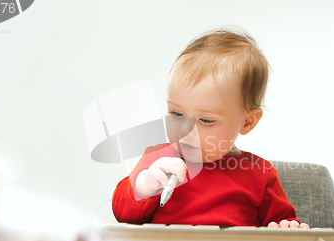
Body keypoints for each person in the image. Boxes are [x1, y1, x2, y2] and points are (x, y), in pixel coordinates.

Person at [112, 28, 310, 229]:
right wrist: (145, 184)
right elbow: (122, 213)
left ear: (247, 122)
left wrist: (286, 227)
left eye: (205, 120)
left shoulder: (260, 173)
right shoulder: (158, 160)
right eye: (176, 113)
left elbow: (282, 224)